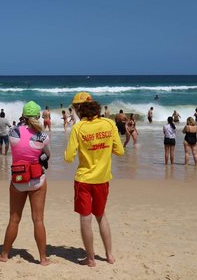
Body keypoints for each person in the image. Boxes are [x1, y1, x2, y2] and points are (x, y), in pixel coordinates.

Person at [64, 92, 124, 267]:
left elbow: (68, 158)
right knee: (101, 215)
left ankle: (90, 259)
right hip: (103, 178)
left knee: (85, 218)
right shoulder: (109, 123)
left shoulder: (78, 128)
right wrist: (103, 148)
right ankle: (109, 255)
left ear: (79, 108)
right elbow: (120, 151)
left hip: (84, 179)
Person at [0, 101, 51, 266]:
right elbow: (46, 156)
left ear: (23, 116)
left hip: (18, 180)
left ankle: (5, 254)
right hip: (36, 180)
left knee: (14, 219)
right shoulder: (43, 136)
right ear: (38, 116)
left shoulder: (13, 132)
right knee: (38, 220)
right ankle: (42, 258)